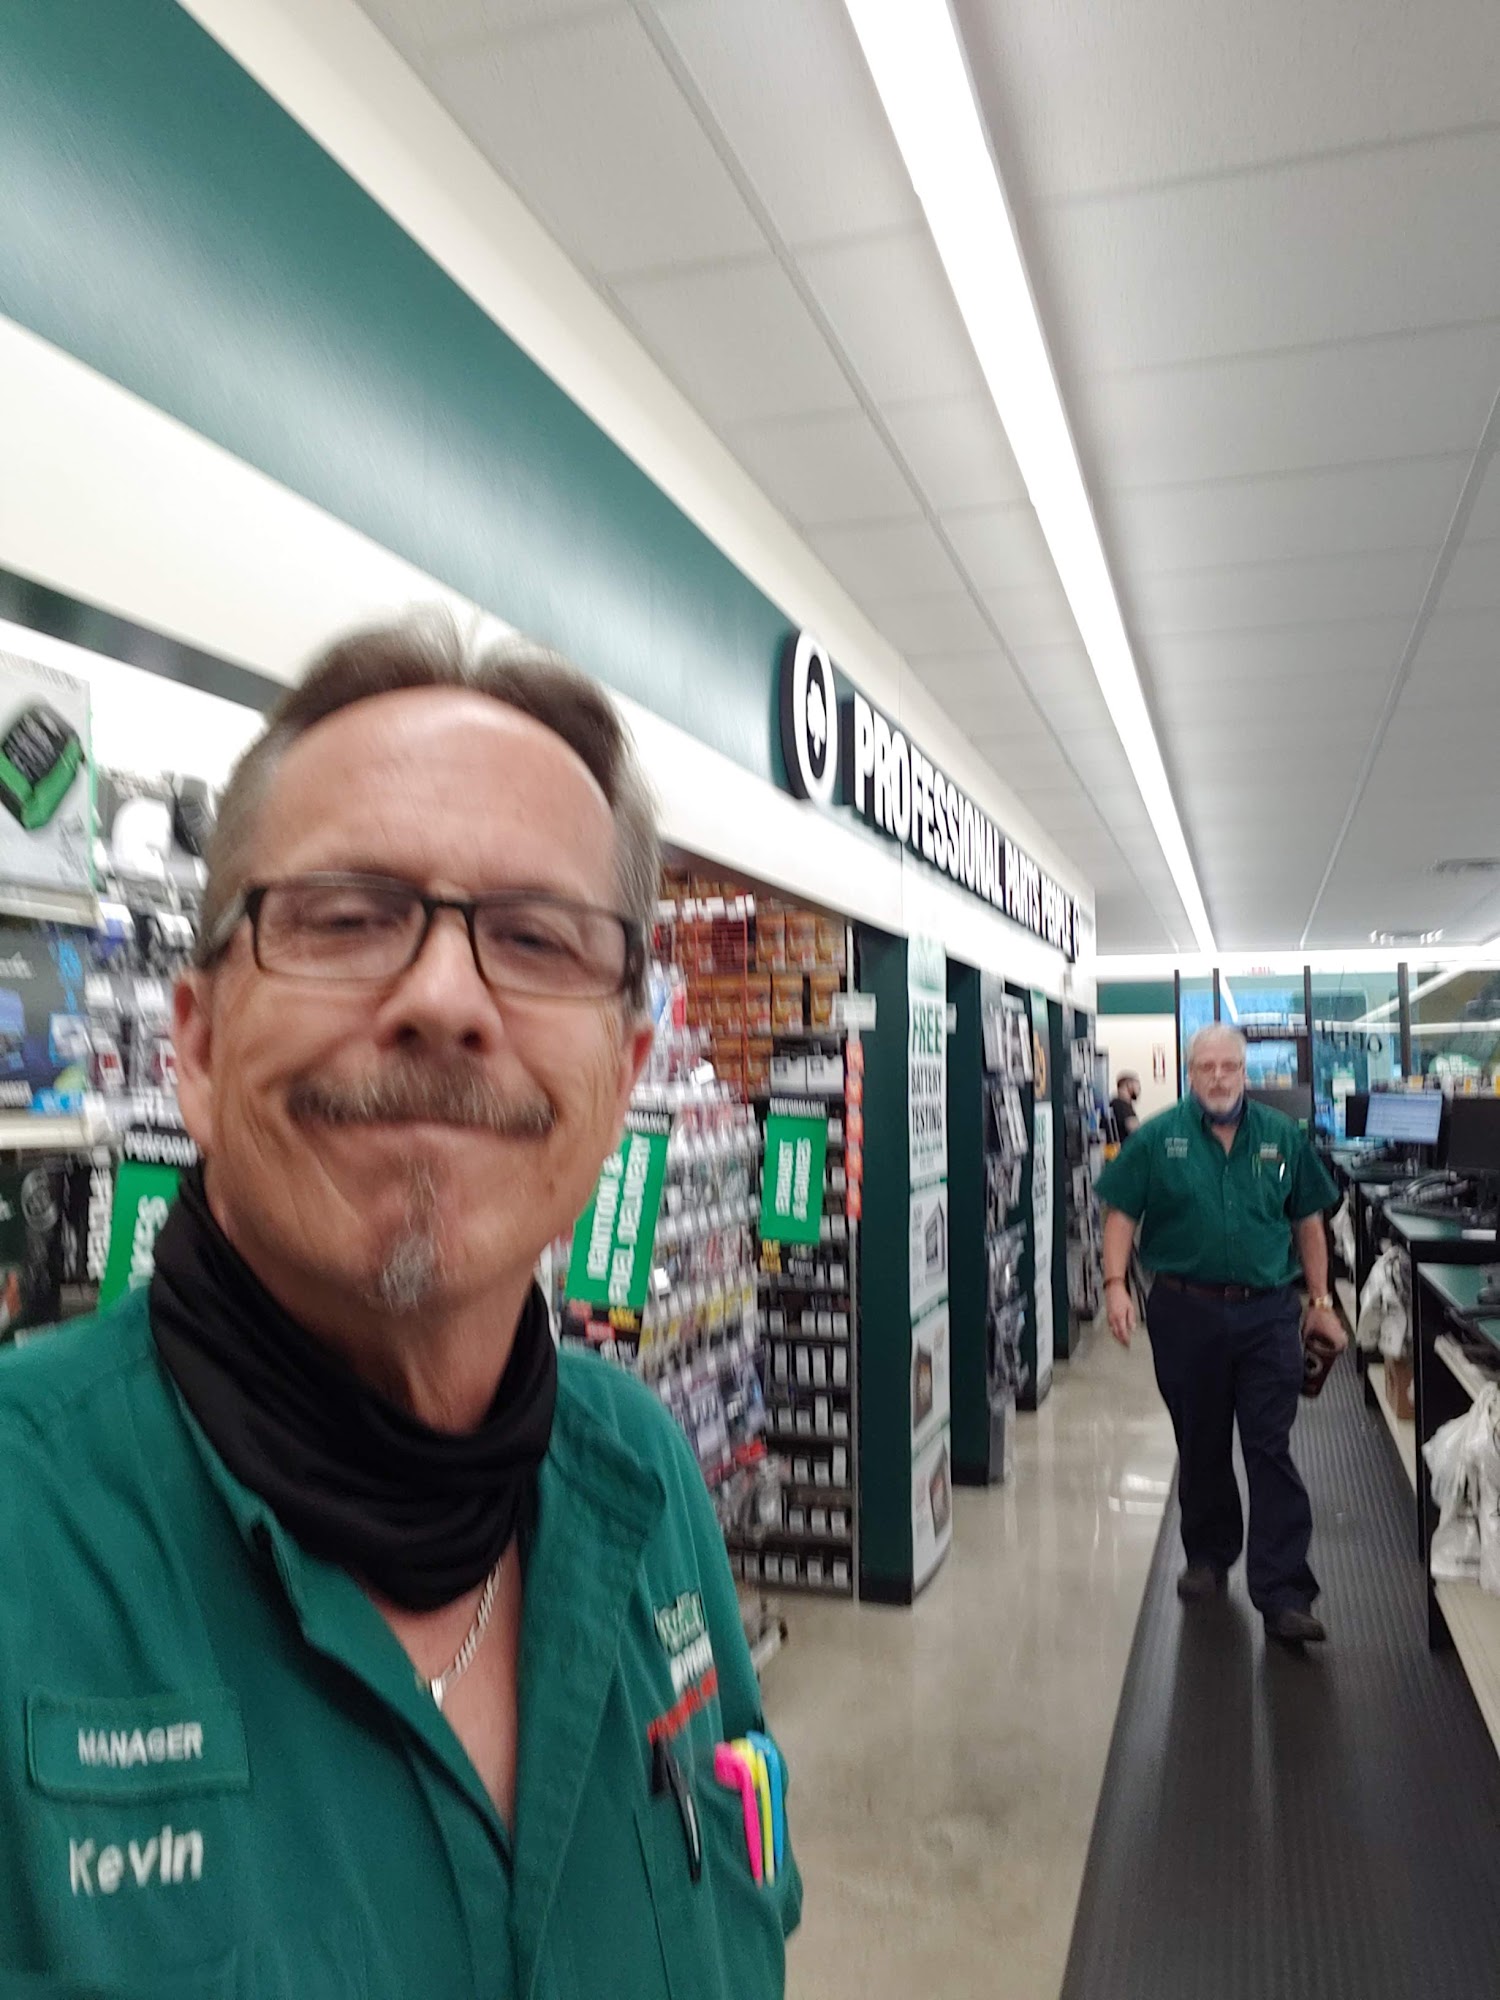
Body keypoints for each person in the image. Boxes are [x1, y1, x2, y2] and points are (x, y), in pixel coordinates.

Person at [0, 616, 800, 1996]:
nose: (442, 999)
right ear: (196, 1044)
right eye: (346, 917)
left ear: (624, 1075)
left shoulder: (647, 1482)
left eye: (537, 938)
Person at [1096, 1024, 1344, 1645]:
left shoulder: (1282, 1136)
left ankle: (1284, 1592)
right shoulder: (1157, 1138)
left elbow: (1308, 1220)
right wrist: (1116, 1284)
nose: (1218, 1076)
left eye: (1228, 1065)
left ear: (1244, 1071)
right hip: (1186, 1312)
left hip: (1268, 1314)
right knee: (1201, 1442)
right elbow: (1121, 1213)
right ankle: (1208, 1556)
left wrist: (1320, 1301)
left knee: (1269, 1447)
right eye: (1205, 1066)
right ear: (1190, 1072)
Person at [1109, 1070, 1142, 1141]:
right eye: (1137, 1086)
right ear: (1129, 1085)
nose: (1139, 1090)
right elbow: (1135, 1131)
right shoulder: (1121, 1106)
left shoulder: (1117, 1103)